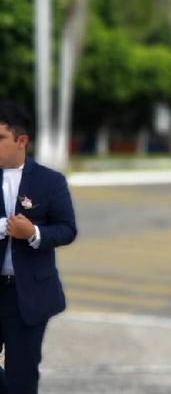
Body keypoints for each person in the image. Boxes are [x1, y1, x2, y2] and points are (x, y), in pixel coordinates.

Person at [0, 101, 77, 394]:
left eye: (0, 138)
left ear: (21, 141)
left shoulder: (50, 181)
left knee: (22, 376)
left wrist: (33, 233)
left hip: (27, 295)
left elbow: (67, 229)